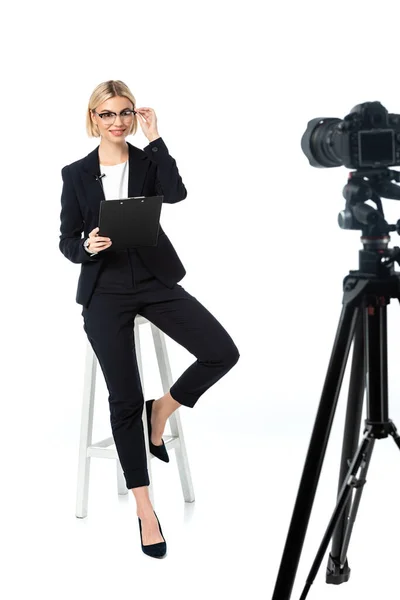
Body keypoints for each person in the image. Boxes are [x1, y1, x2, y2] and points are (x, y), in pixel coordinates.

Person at [59, 79, 240, 558]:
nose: (118, 122)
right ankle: (145, 509)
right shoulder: (75, 173)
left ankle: (160, 410)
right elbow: (66, 240)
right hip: (105, 290)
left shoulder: (145, 160)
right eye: (108, 114)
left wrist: (156, 137)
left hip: (155, 280)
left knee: (222, 352)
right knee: (123, 397)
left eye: (125, 113)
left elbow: (176, 194)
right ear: (93, 118)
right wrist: (86, 246)